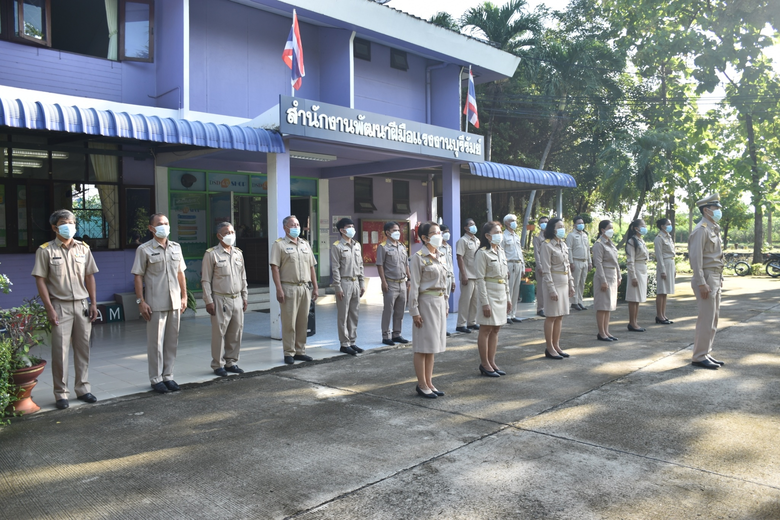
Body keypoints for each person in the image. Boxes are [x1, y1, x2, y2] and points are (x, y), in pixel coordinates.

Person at [32, 209, 99, 410]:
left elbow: (90, 277)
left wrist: (93, 303)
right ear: (54, 227)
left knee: (83, 349)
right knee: (60, 352)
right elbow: (40, 281)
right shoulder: (45, 251)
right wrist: (49, 308)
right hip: (59, 306)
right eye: (64, 222)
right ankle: (61, 393)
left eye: (71, 222)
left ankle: (83, 388)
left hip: (82, 304)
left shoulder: (83, 249)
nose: (69, 226)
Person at [132, 213, 188, 394]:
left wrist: (184, 297)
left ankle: (168, 375)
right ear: (151, 228)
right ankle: (156, 379)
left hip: (174, 302)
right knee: (155, 343)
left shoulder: (176, 248)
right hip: (155, 303)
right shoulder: (144, 249)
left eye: (166, 223)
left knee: (172, 341)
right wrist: (141, 301)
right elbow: (138, 276)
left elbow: (181, 274)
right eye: (159, 224)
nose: (163, 226)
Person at [270, 215, 319, 365]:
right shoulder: (279, 245)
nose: (296, 227)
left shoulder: (305, 244)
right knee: (289, 322)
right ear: (285, 228)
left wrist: (315, 287)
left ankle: (300, 351)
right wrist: (278, 289)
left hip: (304, 287)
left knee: (302, 321)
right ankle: (288, 352)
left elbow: (311, 267)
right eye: (292, 225)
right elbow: (275, 268)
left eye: (297, 224)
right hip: (288, 287)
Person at [201, 222, 248, 377]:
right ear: (219, 236)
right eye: (227, 232)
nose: (231, 235)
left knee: (236, 332)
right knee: (219, 333)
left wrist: (245, 297)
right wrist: (208, 300)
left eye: (232, 231)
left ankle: (231, 362)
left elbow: (243, 277)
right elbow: (206, 280)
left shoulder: (238, 253)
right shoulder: (211, 254)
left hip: (237, 298)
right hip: (220, 299)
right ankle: (218, 364)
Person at [408, 222, 448, 398]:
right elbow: (414, 286)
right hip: (425, 303)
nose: (438, 235)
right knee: (422, 345)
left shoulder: (440, 255)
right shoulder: (418, 257)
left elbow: (445, 283)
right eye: (434, 233)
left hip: (439, 302)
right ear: (424, 238)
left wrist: (446, 303)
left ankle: (430, 382)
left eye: (439, 232)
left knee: (432, 346)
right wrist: (415, 311)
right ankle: (421, 384)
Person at [688, 194, 726, 370]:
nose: (718, 211)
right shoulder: (701, 230)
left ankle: (705, 352)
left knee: (713, 318)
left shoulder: (713, 228)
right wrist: (702, 282)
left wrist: (721, 277)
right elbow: (696, 259)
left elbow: (717, 257)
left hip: (715, 276)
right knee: (706, 319)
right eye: (715, 208)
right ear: (706, 210)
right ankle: (699, 356)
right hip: (707, 277)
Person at [475, 221, 512, 376]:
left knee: (496, 329)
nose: (499, 234)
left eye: (500, 231)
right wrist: (485, 302)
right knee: (486, 328)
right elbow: (480, 279)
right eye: (496, 232)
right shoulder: (482, 253)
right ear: (487, 236)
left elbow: (505, 277)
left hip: (501, 293)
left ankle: (492, 361)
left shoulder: (501, 251)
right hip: (489, 293)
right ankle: (484, 363)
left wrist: (508, 298)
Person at [539, 217, 575, 359]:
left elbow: (567, 267)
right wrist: (551, 289)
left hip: (564, 282)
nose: (562, 229)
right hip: (553, 282)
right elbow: (546, 270)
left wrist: (571, 285)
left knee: (560, 316)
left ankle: (556, 345)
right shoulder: (546, 245)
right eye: (559, 226)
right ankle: (549, 347)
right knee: (551, 316)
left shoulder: (563, 245)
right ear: (552, 229)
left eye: (563, 226)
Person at [331, 218, 365, 355]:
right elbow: (335, 268)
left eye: (352, 226)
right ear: (342, 230)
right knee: (343, 315)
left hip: (356, 282)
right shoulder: (337, 246)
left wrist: (362, 283)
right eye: (349, 227)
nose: (352, 229)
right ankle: (344, 343)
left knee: (354, 314)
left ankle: (352, 341)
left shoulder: (357, 245)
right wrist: (337, 287)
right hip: (344, 282)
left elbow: (361, 265)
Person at [376, 221, 410, 346]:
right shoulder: (383, 247)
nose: (398, 232)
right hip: (390, 283)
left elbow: (406, 264)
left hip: (402, 282)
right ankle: (386, 335)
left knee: (400, 310)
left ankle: (397, 334)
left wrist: (409, 278)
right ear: (388, 232)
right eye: (395, 230)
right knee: (388, 310)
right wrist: (383, 282)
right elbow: (380, 265)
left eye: (398, 230)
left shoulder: (402, 246)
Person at [592, 219, 621, 342]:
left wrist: (619, 275)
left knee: (608, 306)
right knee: (602, 305)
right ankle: (601, 332)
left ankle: (607, 331)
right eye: (609, 228)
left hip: (612, 275)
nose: (611, 230)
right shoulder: (599, 244)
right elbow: (598, 263)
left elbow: (616, 262)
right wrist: (603, 280)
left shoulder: (611, 243)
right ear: (602, 230)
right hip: (603, 276)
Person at [455, 218, 480, 333]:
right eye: (471, 224)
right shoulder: (462, 240)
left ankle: (472, 322)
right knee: (465, 300)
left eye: (474, 224)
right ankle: (461, 324)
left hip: (476, 275)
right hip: (468, 275)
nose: (473, 226)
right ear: (465, 228)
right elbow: (459, 257)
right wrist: (463, 274)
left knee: (475, 300)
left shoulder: (477, 240)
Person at [625, 218, 650, 332]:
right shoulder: (632, 241)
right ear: (636, 228)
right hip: (636, 270)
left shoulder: (641, 240)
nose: (644, 228)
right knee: (633, 298)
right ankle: (632, 322)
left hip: (642, 269)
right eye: (642, 226)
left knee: (638, 298)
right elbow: (630, 260)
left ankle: (635, 321)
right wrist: (633, 276)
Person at [502, 214, 525, 323]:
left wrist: (523, 266)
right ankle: (506, 315)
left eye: (515, 220)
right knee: (509, 290)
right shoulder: (503, 236)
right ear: (506, 223)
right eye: (512, 221)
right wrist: (505, 268)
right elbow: (501, 253)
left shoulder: (516, 236)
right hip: (509, 264)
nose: (514, 222)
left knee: (516, 291)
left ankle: (513, 314)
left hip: (518, 263)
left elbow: (520, 252)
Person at [566, 216, 592, 311]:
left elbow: (588, 249)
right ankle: (574, 302)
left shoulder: (585, 235)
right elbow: (569, 249)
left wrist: (590, 262)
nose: (581, 225)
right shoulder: (571, 235)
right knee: (575, 282)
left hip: (585, 261)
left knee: (582, 283)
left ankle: (580, 301)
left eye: (582, 223)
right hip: (576, 261)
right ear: (574, 225)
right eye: (579, 223)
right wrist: (571, 262)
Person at [654, 218, 676, 324]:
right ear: (662, 226)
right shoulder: (659, 238)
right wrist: (662, 270)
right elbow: (659, 256)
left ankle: (663, 314)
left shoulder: (669, 237)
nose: (670, 226)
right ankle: (659, 315)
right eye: (668, 224)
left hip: (670, 263)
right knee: (661, 291)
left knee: (666, 291)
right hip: (664, 264)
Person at [439, 224, 457, 337]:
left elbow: (451, 264)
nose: (447, 234)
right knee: (442, 304)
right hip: (441, 278)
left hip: (449, 277)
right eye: (444, 231)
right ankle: (440, 328)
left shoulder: (448, 247)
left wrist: (454, 279)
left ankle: (443, 328)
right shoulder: (437, 247)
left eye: (448, 231)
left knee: (446, 305)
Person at [533, 216, 549, 317]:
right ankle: (540, 308)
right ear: (539, 225)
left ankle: (548, 308)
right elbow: (536, 252)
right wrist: (539, 266)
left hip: (551, 266)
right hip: (542, 265)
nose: (544, 224)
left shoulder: (551, 237)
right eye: (542, 222)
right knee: (541, 289)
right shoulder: (537, 237)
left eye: (546, 222)